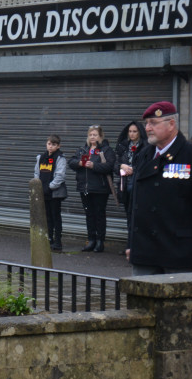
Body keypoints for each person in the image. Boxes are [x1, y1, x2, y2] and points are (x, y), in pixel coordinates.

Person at [126, 101, 192, 275]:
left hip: (179, 253)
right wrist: (131, 244)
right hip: (144, 252)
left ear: (171, 124)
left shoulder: (188, 154)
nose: (147, 128)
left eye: (153, 123)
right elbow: (134, 205)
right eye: (146, 124)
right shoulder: (144, 155)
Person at [68, 125, 116, 253]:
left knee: (99, 214)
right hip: (84, 187)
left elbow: (110, 166)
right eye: (90, 135)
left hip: (100, 188)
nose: (92, 137)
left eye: (95, 135)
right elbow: (71, 162)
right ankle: (91, 240)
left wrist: (94, 165)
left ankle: (100, 241)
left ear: (100, 136)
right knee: (89, 214)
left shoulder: (106, 150)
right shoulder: (83, 149)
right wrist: (79, 163)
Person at [114, 120, 148, 237]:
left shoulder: (146, 146)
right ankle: (130, 244)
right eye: (130, 131)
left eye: (135, 131)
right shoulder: (123, 146)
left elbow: (147, 165)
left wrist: (134, 169)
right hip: (125, 183)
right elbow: (114, 164)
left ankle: (137, 244)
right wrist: (121, 166)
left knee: (138, 216)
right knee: (128, 215)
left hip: (138, 184)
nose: (132, 134)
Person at [34, 135, 68, 251]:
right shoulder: (41, 157)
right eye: (49, 144)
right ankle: (49, 239)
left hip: (55, 193)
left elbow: (60, 176)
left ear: (58, 146)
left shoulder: (60, 158)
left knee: (55, 216)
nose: (50, 147)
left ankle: (58, 241)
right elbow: (36, 173)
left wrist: (49, 187)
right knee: (47, 217)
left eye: (53, 145)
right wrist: (39, 187)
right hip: (43, 192)